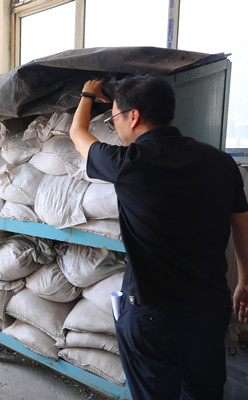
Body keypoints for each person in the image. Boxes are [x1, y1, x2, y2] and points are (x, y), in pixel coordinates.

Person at [69, 75, 248, 399]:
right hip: (208, 311)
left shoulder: (128, 163)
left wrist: (87, 94)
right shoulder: (222, 162)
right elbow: (242, 224)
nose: (114, 127)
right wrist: (245, 281)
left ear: (133, 116)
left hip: (152, 315)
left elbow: (77, 134)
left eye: (114, 118)